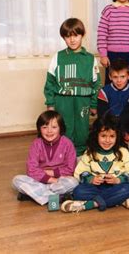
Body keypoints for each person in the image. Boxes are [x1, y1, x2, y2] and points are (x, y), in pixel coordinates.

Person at [44, 17, 101, 156]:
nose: (72, 40)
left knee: (82, 128)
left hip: (83, 100)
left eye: (76, 35)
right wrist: (50, 103)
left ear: (82, 35)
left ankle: (81, 154)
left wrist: (94, 104)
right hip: (63, 100)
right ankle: (63, 154)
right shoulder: (58, 57)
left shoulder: (90, 58)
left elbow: (96, 83)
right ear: (63, 38)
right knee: (65, 127)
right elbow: (50, 82)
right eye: (68, 36)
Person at [61, 115, 129, 213]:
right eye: (103, 136)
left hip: (115, 187)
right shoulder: (90, 153)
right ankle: (117, 200)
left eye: (112, 136)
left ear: (117, 136)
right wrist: (91, 179)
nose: (107, 140)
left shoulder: (123, 152)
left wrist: (118, 179)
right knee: (78, 191)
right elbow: (79, 172)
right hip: (95, 188)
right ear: (96, 136)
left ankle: (90, 204)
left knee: (128, 189)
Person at [12, 110, 78, 206]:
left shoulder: (68, 144)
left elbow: (70, 169)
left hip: (61, 180)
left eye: (54, 127)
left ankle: (35, 195)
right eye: (44, 127)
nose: (49, 131)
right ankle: (58, 196)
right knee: (16, 180)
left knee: (74, 182)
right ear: (39, 129)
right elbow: (31, 169)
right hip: (41, 180)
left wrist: (50, 173)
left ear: (61, 128)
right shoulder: (36, 144)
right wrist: (51, 180)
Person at [97, 58, 129, 136]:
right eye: (115, 77)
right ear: (110, 77)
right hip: (108, 126)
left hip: (127, 127)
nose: (119, 80)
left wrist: (124, 131)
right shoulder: (104, 91)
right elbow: (102, 114)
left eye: (122, 77)